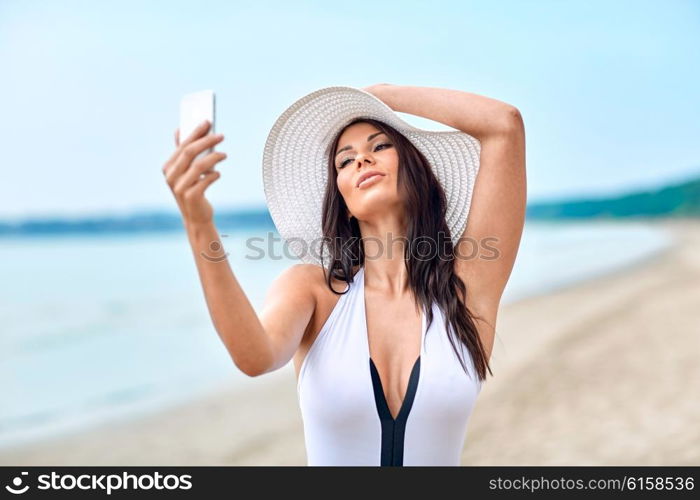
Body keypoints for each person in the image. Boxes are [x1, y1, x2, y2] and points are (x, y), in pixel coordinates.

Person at [161, 84, 526, 466]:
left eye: (380, 146)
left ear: (417, 171)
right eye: (344, 161)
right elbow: (254, 357)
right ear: (344, 203)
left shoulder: (466, 287)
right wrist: (199, 223)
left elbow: (504, 125)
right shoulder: (313, 291)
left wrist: (379, 95)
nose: (362, 160)